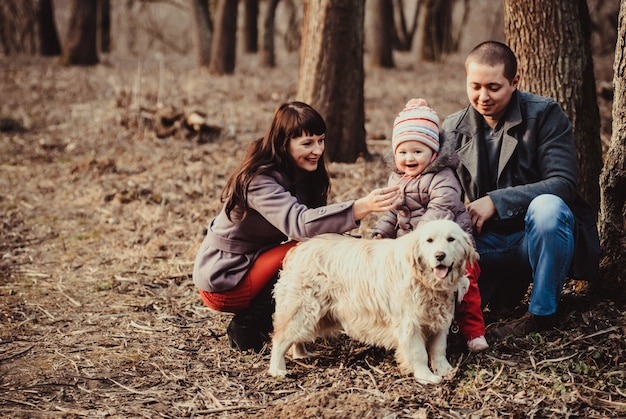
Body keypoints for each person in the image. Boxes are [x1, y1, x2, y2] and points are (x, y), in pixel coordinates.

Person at [193, 101, 400, 352]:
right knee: (305, 253)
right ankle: (248, 325)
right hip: (227, 276)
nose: (317, 150)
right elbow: (300, 224)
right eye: (307, 143)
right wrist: (361, 207)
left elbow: (318, 227)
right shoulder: (259, 180)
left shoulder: (302, 171)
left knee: (322, 249)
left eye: (320, 140)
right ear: (284, 144)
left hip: (256, 263)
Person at [441, 41, 600, 339]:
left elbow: (563, 184)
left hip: (538, 240)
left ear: (514, 82)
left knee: (548, 208)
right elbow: (437, 188)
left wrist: (496, 202)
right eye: (474, 86)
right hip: (486, 244)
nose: (483, 96)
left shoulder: (544, 115)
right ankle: (485, 302)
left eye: (493, 87)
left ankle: (541, 315)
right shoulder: (452, 128)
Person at [372, 98, 489, 353]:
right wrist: (381, 232)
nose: (409, 158)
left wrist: (414, 242)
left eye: (417, 151)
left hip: (446, 245)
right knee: (408, 285)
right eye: (402, 152)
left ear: (433, 153)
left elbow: (439, 212)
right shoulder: (397, 179)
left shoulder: (443, 178)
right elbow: (393, 212)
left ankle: (473, 333)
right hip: (413, 248)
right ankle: (414, 327)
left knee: (466, 285)